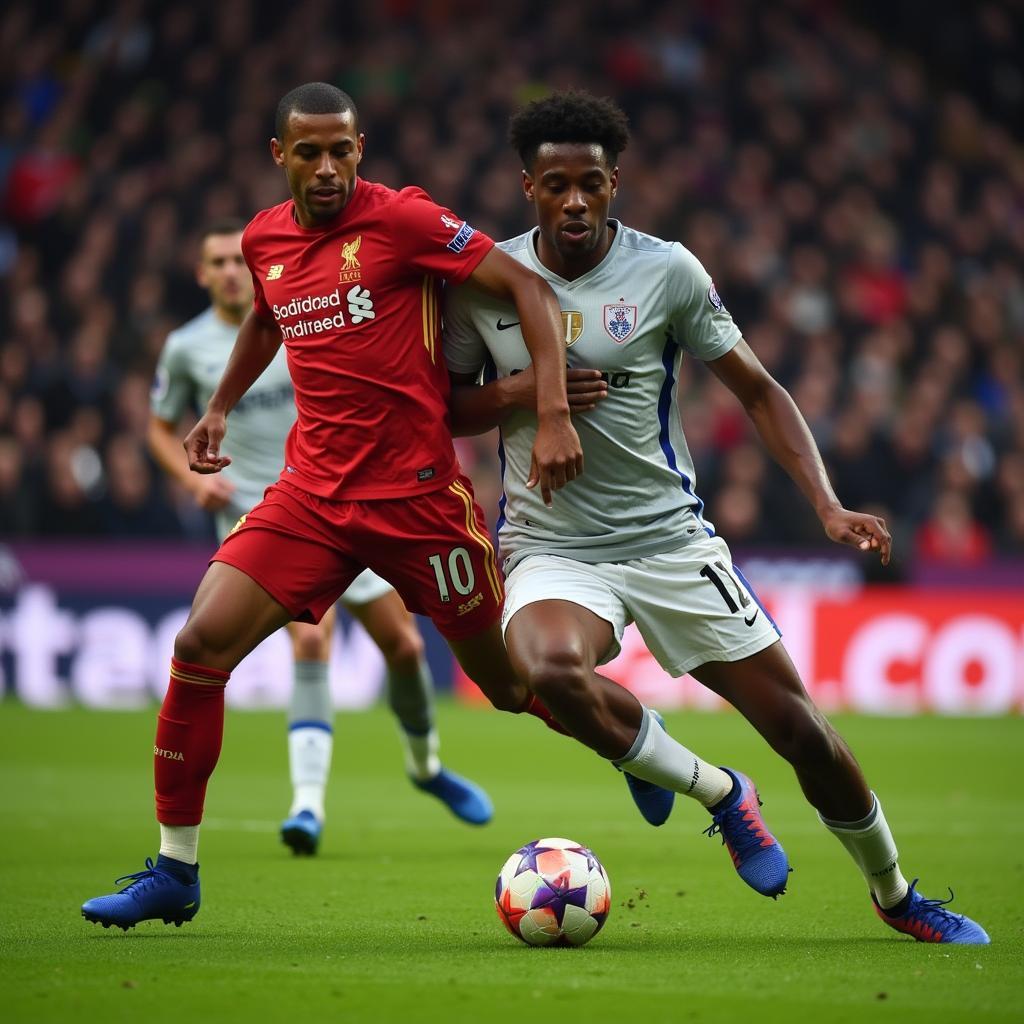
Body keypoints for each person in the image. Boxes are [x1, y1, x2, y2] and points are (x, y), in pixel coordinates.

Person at [443, 90, 989, 944]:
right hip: (553, 545)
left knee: (803, 732)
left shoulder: (668, 272)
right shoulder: (486, 283)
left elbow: (761, 391)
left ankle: (897, 895)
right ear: (528, 187)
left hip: (669, 540)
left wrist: (827, 504)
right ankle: (720, 793)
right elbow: (446, 409)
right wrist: (519, 395)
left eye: (591, 183)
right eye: (557, 185)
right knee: (547, 673)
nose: (575, 201)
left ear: (615, 182)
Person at [80, 80, 600, 931]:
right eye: (309, 152)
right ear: (278, 156)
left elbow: (529, 292)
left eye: (342, 151)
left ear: (361, 150)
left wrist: (545, 408)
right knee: (198, 644)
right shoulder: (263, 238)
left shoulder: (404, 222)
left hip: (420, 500)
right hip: (312, 497)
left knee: (507, 685)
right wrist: (217, 406)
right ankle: (175, 869)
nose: (327, 168)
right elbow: (265, 320)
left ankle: (632, 749)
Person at [147, 219, 494, 856]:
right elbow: (160, 428)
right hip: (275, 518)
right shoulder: (186, 348)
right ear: (201, 273)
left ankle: (427, 768)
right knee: (313, 640)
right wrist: (192, 479)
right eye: (216, 261)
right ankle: (307, 804)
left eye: (235, 260)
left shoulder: (303, 314)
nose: (228, 270)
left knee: (406, 648)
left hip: (353, 497)